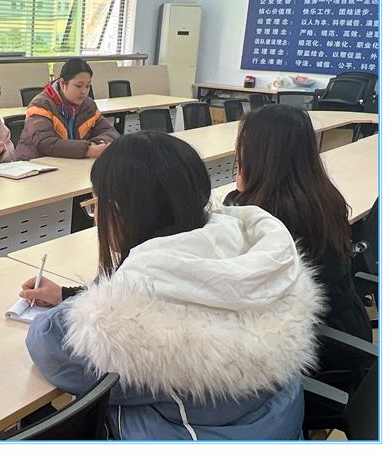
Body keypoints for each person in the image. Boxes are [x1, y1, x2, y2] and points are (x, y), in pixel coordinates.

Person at [20, 132, 324, 440]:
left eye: (97, 204)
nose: (96, 217)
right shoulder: (251, 251)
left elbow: (49, 343)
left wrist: (100, 291)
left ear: (122, 211)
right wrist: (70, 294)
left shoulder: (137, 323)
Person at [224, 104, 372, 383]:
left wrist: (240, 194)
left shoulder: (261, 217)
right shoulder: (323, 194)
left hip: (313, 350)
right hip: (347, 327)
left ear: (257, 154)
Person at [15, 57, 118, 161]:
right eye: (79, 86)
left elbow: (110, 132)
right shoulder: (40, 105)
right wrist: (88, 149)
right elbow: (45, 143)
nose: (84, 91)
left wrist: (98, 143)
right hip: (33, 164)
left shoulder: (89, 105)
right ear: (62, 84)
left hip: (69, 163)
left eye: (87, 86)